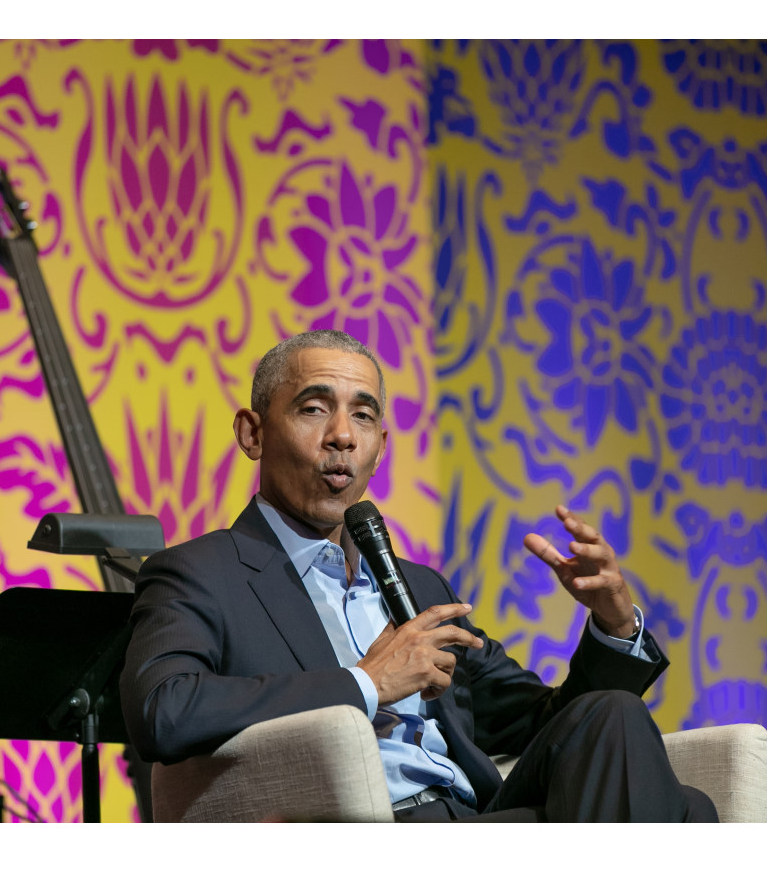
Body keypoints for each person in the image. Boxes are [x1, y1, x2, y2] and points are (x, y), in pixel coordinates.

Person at [119, 330, 718, 822]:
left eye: (363, 416)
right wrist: (364, 683)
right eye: (314, 408)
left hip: (475, 819)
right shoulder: (201, 573)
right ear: (253, 434)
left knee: (614, 716)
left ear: (380, 445)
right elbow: (163, 712)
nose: (342, 436)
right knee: (685, 814)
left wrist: (614, 626)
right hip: (371, 829)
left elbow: (545, 725)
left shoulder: (420, 587)